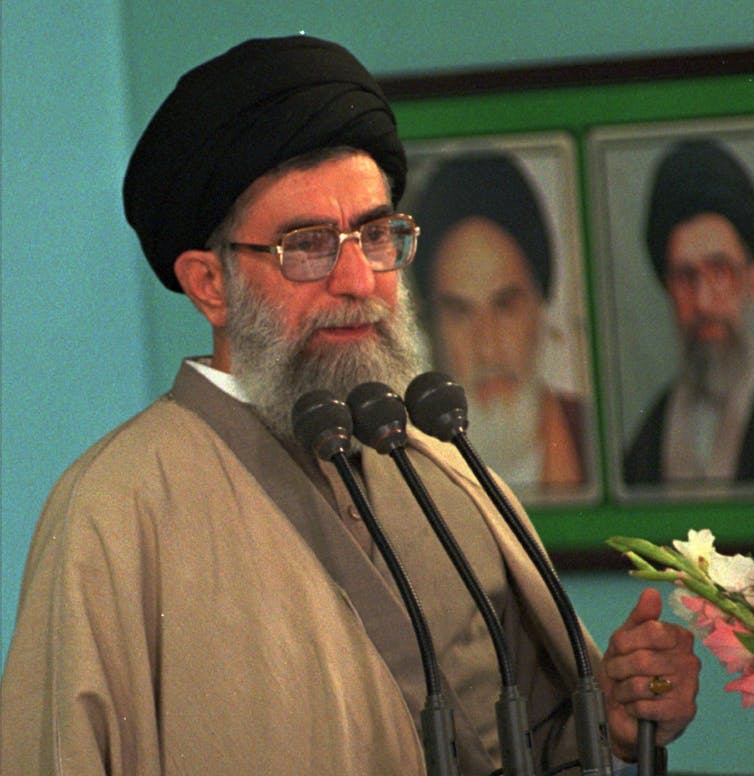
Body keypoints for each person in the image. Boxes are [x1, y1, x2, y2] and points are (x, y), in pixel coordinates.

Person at [1, 36, 698, 775]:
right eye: (308, 245)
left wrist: (618, 723)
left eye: (374, 233)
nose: (359, 278)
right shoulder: (116, 509)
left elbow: (525, 743)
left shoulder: (437, 466)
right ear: (210, 284)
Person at [411, 153, 588, 496]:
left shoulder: (596, 441)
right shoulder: (402, 468)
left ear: (541, 309)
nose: (487, 347)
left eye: (505, 306)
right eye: (460, 313)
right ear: (430, 329)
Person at [623, 138, 754, 487]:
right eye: (685, 277)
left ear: (750, 275)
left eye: (720, 271)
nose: (704, 301)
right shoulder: (649, 438)